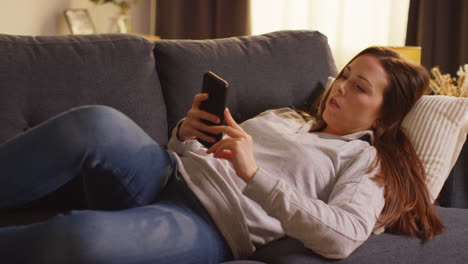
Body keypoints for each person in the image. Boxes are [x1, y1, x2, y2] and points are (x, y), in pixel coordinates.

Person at [0, 47, 443, 263]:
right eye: (345, 74)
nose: (341, 87)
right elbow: (203, 155)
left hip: (208, 223)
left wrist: (255, 175)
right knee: (95, 121)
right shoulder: (288, 116)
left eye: (360, 87)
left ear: (384, 117)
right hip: (167, 172)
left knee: (82, 239)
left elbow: (343, 236)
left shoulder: (365, 162)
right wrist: (187, 136)